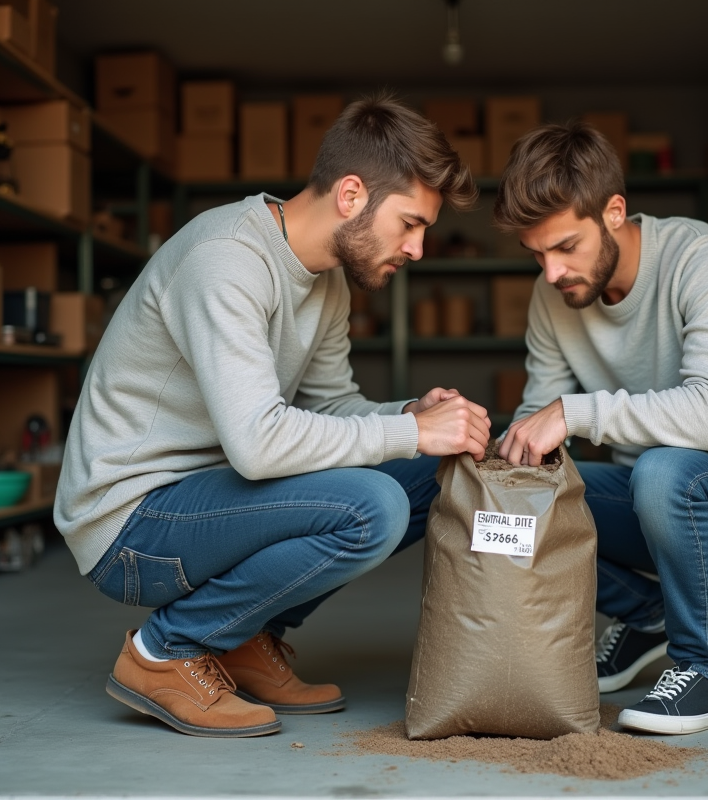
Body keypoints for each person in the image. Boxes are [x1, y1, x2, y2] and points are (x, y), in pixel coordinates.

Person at [55, 95, 490, 738]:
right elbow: (259, 445)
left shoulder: (327, 278)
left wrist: (411, 418)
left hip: (212, 496)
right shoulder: (226, 259)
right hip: (131, 524)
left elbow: (330, 408)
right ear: (351, 195)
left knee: (430, 471)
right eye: (409, 223)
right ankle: (165, 652)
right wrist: (408, 431)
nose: (418, 248)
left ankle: (241, 637)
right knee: (371, 506)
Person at [490, 122, 708, 735]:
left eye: (566, 246)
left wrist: (575, 412)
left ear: (614, 212)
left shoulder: (701, 259)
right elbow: (539, 416)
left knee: (665, 470)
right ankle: (646, 616)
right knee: (521, 494)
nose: (552, 272)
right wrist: (496, 463)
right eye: (536, 254)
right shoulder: (553, 296)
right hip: (653, 501)